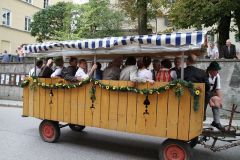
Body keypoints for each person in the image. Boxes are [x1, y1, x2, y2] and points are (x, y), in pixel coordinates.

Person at [176, 54, 210, 121]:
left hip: (183, 98)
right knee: (208, 94)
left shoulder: (180, 72)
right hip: (198, 98)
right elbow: (207, 87)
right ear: (195, 62)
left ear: (187, 61)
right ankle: (204, 110)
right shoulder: (202, 72)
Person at [206, 61, 223, 130]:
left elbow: (218, 89)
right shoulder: (205, 75)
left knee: (217, 100)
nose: (217, 72)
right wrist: (210, 101)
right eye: (216, 70)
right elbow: (203, 89)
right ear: (211, 70)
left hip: (211, 91)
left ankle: (216, 122)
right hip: (204, 91)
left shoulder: (217, 76)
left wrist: (220, 101)